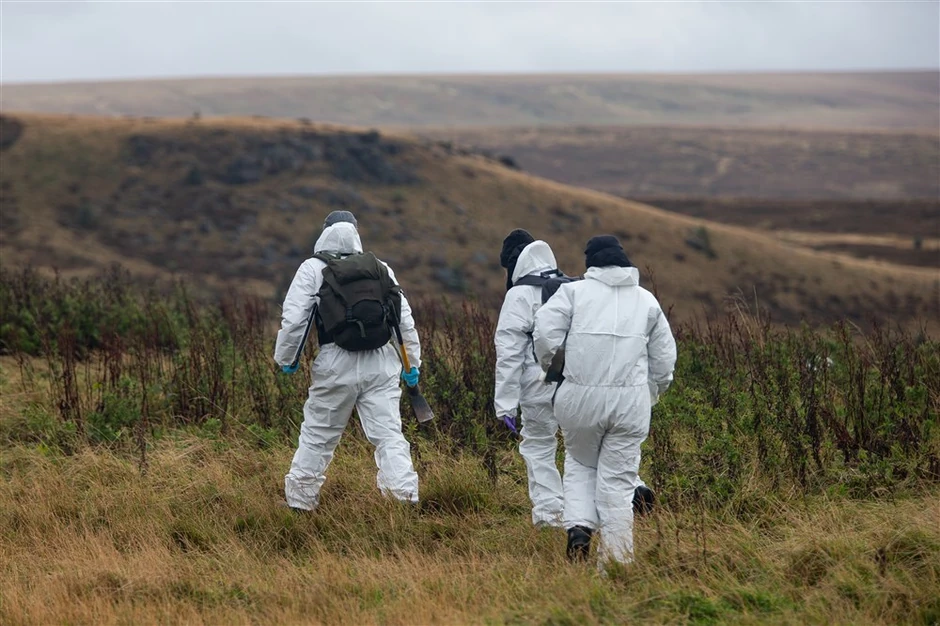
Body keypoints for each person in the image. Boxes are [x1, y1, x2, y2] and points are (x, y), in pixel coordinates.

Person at [495, 230, 656, 529]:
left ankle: (551, 514)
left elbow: (508, 353)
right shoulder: (571, 285)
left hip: (537, 384)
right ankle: (633, 485)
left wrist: (504, 404)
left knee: (538, 445)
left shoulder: (518, 295)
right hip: (575, 380)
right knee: (587, 444)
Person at [533, 235, 676, 566]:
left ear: (591, 264)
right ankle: (615, 563)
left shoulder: (573, 293)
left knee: (581, 462)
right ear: (624, 262)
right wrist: (650, 393)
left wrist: (554, 368)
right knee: (618, 483)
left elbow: (544, 333)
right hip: (630, 405)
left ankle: (579, 527)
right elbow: (664, 361)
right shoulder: (647, 301)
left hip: (578, 401)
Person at [274, 210, 423, 511]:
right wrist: (412, 364)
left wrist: (287, 358)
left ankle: (300, 504)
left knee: (318, 434)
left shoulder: (312, 268)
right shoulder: (380, 267)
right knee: (388, 434)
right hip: (380, 362)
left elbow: (295, 320)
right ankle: (404, 499)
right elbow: (403, 319)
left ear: (324, 231)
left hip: (336, 362)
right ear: (356, 232)